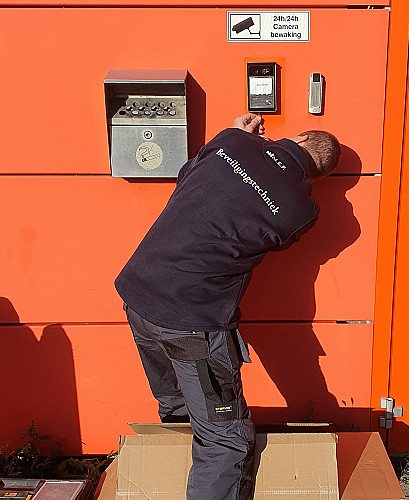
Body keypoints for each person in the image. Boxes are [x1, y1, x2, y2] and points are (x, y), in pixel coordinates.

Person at [115, 113, 342, 500]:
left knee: (178, 404)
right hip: (193, 321)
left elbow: (187, 178)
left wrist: (239, 134)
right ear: (317, 174)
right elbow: (274, 238)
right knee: (225, 439)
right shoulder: (301, 210)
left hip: (138, 293)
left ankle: (164, 474)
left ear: (301, 138)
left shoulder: (231, 142)